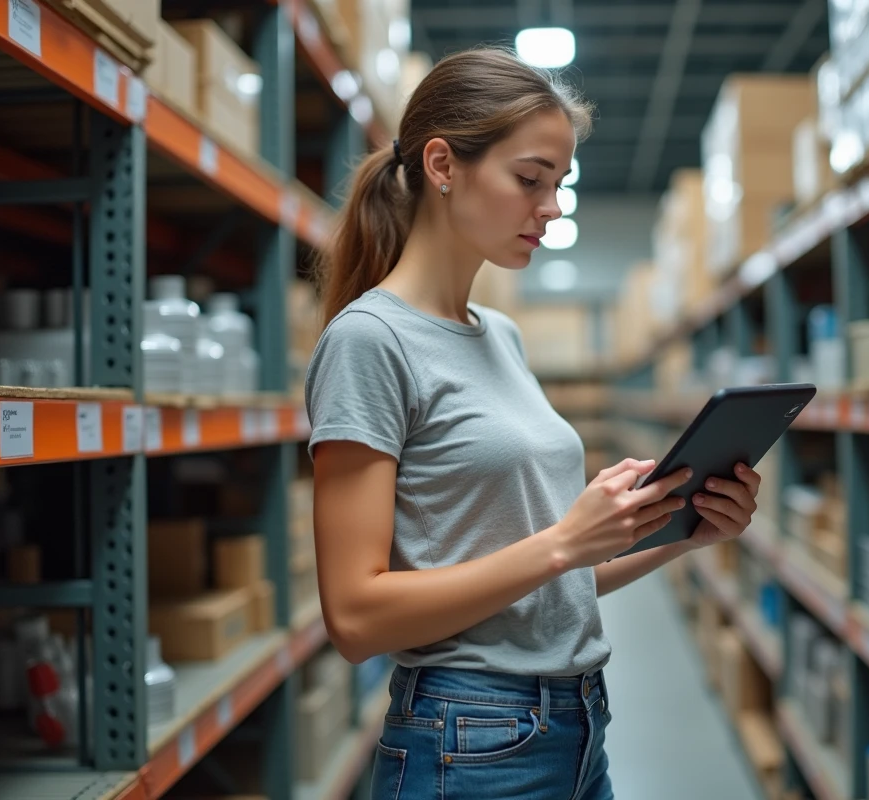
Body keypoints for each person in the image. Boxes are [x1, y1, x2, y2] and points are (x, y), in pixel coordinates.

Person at [306, 47, 762, 800]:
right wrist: (562, 542)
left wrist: (683, 531)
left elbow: (548, 589)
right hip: (469, 740)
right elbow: (355, 617)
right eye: (530, 180)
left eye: (559, 185)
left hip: (576, 728)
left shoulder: (501, 336)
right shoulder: (370, 341)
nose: (551, 208)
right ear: (443, 165)